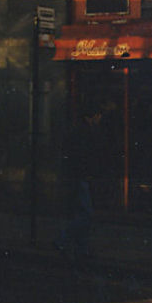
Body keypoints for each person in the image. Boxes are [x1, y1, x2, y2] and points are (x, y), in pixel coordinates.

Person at [54, 109, 102, 261]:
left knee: (82, 213)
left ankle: (81, 248)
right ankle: (64, 240)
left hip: (74, 176)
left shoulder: (76, 130)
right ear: (91, 117)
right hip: (80, 177)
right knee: (86, 214)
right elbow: (84, 156)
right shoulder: (85, 132)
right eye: (97, 115)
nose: (99, 118)